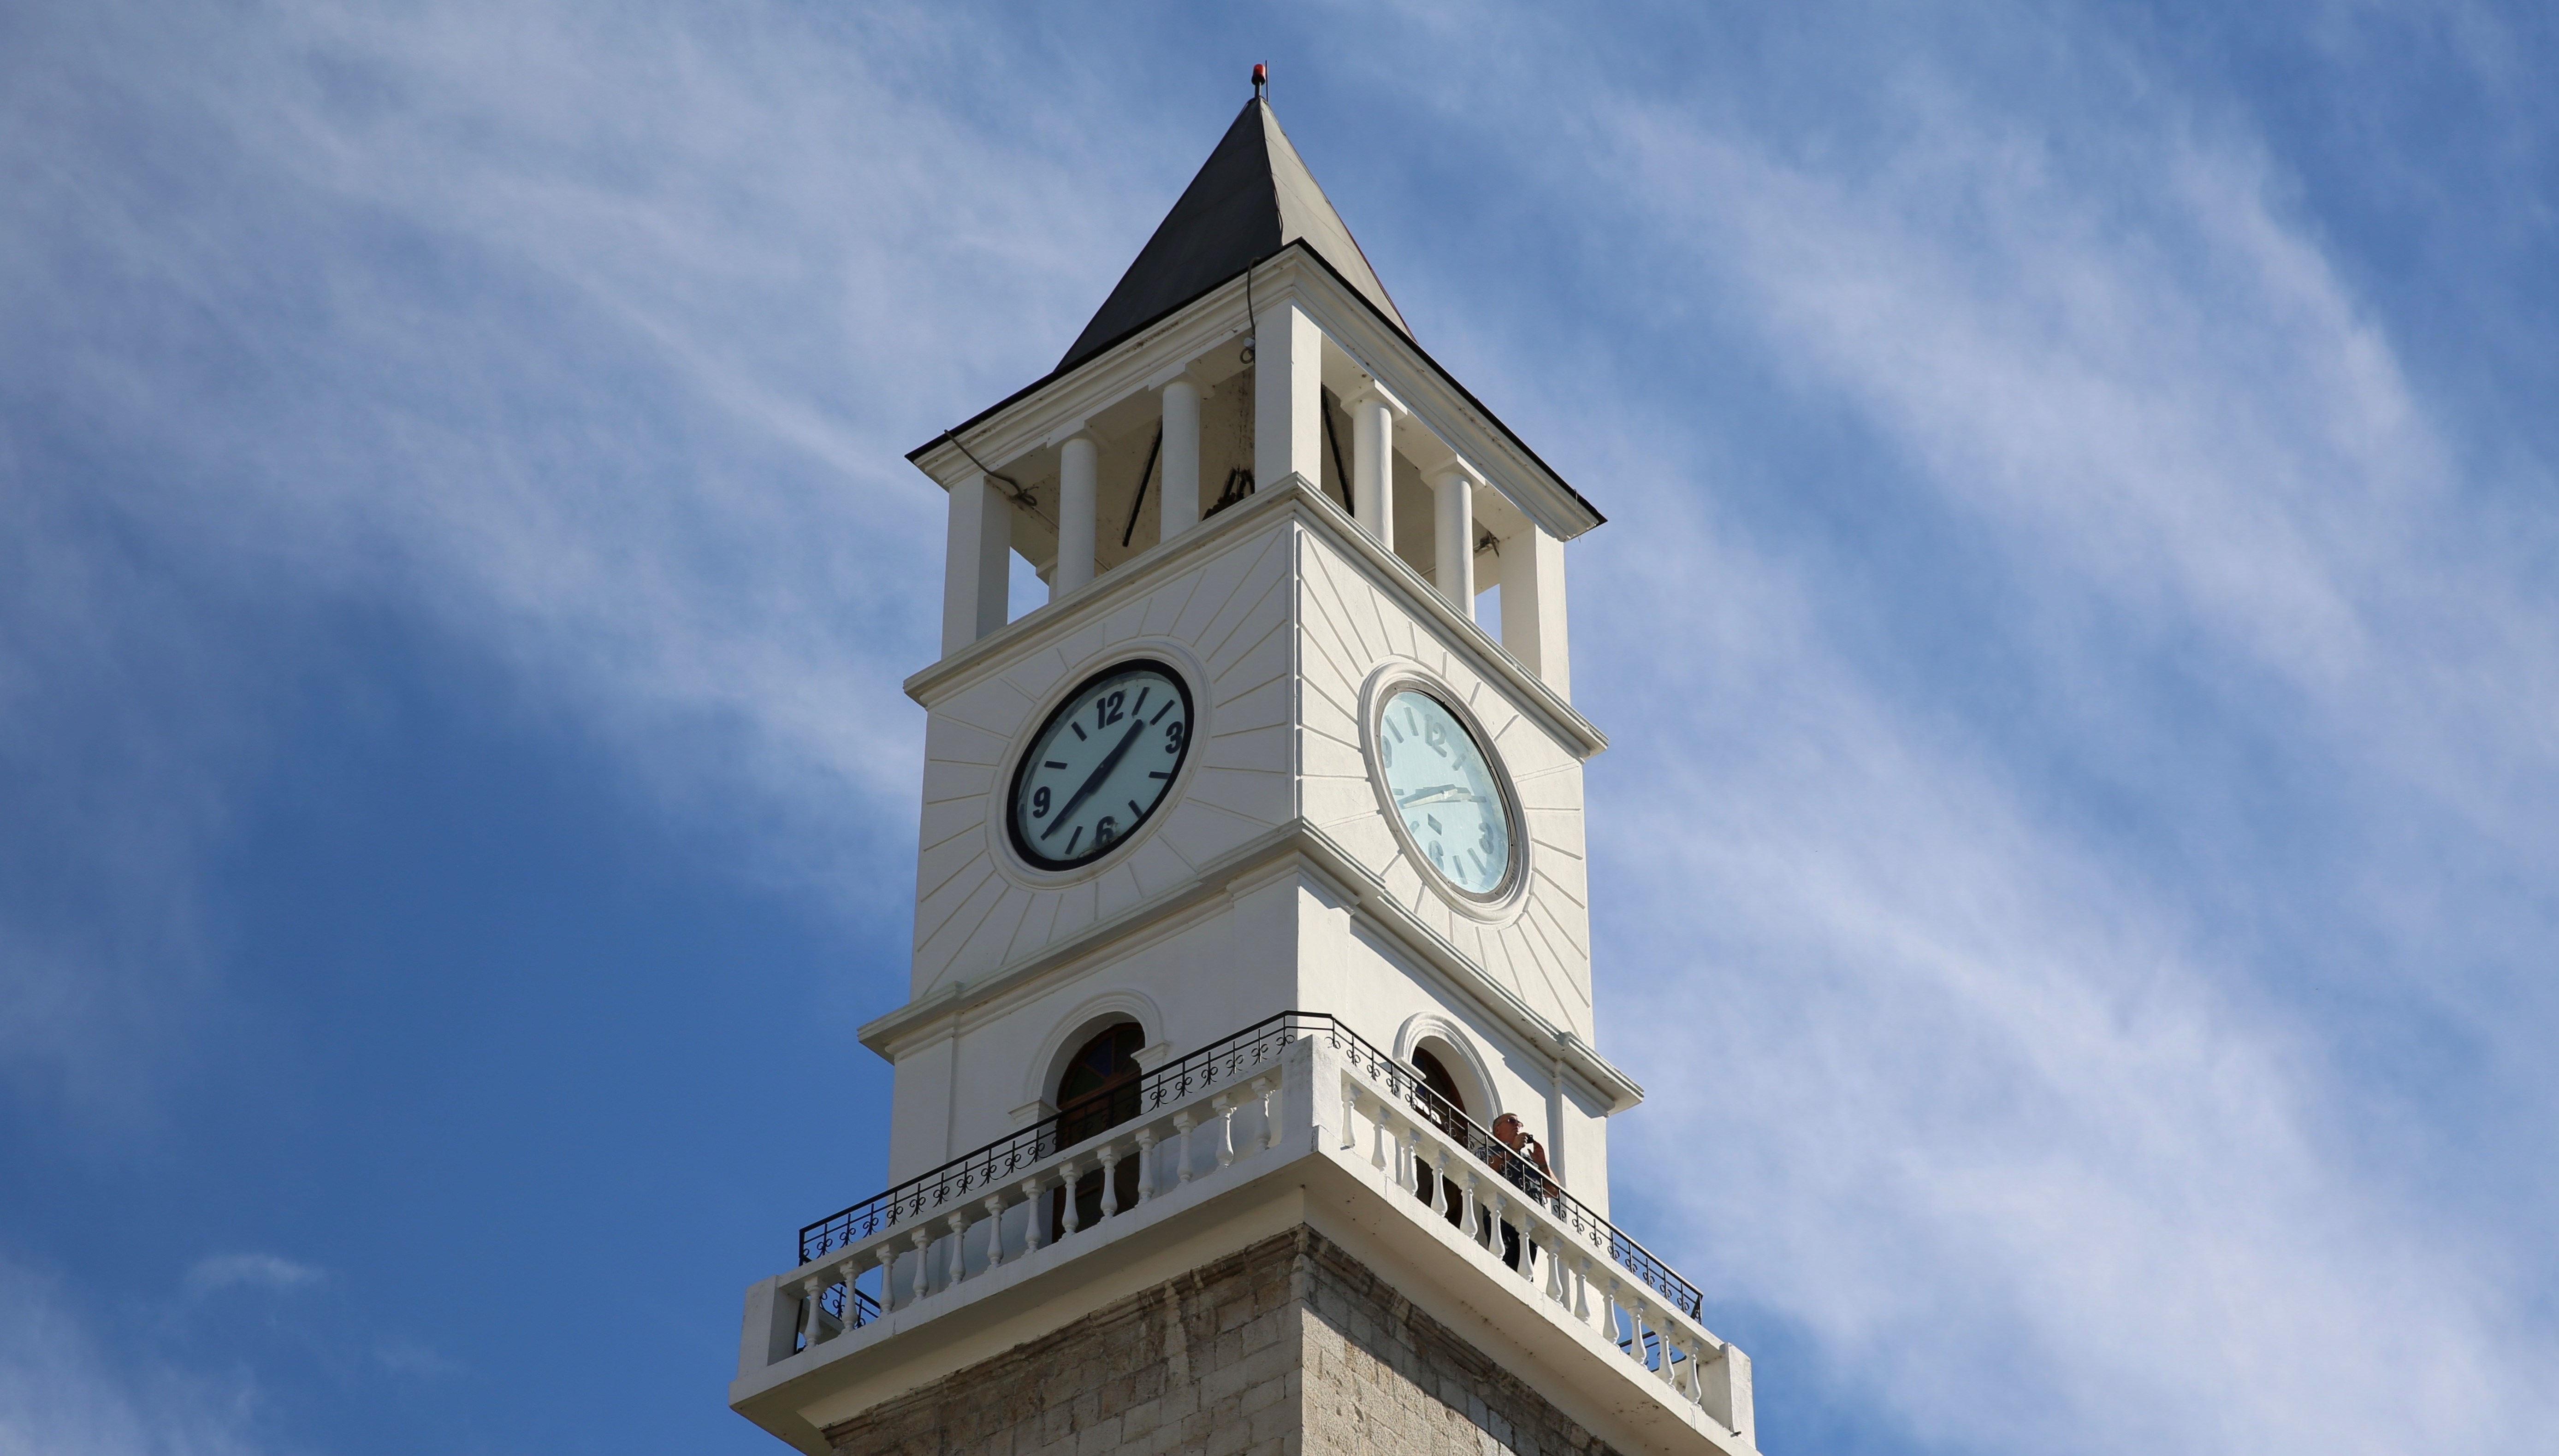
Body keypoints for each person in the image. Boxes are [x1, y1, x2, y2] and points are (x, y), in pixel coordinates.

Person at [1483, 1112, 1552, 1271]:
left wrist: (1543, 1164)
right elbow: (1485, 1169)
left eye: (1519, 1123)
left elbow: (1552, 1192)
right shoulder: (1489, 1150)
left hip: (1529, 1222)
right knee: (1504, 1263)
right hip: (1501, 1214)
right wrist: (1513, 1149)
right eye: (1512, 1121)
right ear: (1498, 1130)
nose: (1517, 1126)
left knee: (1525, 1269)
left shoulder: (1529, 1161)